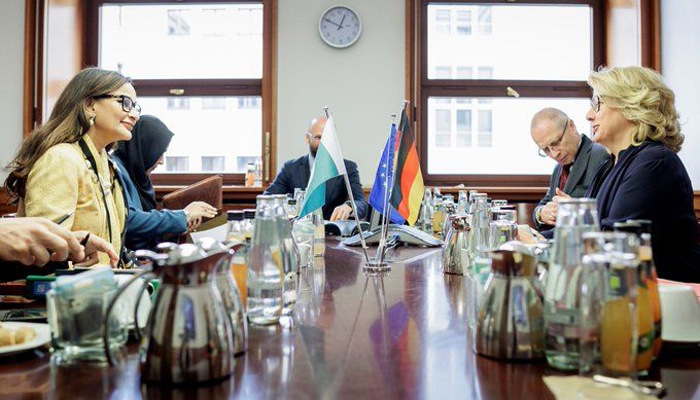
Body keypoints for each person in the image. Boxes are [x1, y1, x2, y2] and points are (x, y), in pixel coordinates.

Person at [5, 68, 138, 266]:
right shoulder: (61, 158)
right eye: (125, 103)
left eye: (136, 107)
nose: (134, 115)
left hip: (100, 286)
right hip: (67, 292)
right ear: (89, 105)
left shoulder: (107, 163)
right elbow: (45, 254)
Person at [585, 66, 700, 282]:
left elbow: (614, 242)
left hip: (668, 299)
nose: (589, 115)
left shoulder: (655, 162)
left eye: (597, 104)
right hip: (624, 289)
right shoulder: (609, 164)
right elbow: (583, 230)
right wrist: (531, 240)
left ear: (631, 106)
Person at [112, 115, 218, 250]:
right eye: (158, 153)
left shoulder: (139, 177)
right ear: (144, 148)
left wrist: (175, 229)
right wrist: (184, 215)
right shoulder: (116, 170)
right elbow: (129, 221)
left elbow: (146, 232)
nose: (161, 161)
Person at [264, 117, 368, 221]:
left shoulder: (347, 168)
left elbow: (361, 204)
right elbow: (267, 200)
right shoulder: (290, 168)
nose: (324, 143)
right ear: (307, 138)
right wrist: (286, 208)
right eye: (318, 137)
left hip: (332, 232)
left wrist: (349, 206)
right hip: (298, 231)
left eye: (328, 138)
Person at [530, 108, 609, 230]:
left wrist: (574, 209)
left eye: (556, 143)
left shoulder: (600, 154)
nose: (554, 154)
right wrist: (542, 214)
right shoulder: (558, 168)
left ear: (571, 126)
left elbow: (608, 210)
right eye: (546, 149)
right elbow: (544, 204)